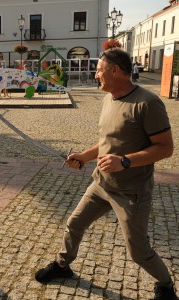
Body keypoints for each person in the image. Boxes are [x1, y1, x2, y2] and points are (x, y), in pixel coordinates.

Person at [34, 48, 177, 300]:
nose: (95, 74)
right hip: (101, 184)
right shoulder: (108, 98)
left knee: (138, 252)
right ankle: (62, 265)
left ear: (114, 70)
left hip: (131, 192)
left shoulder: (147, 102)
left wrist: (125, 161)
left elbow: (165, 148)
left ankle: (165, 286)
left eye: (99, 70)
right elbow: (109, 141)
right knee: (74, 224)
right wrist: (84, 156)